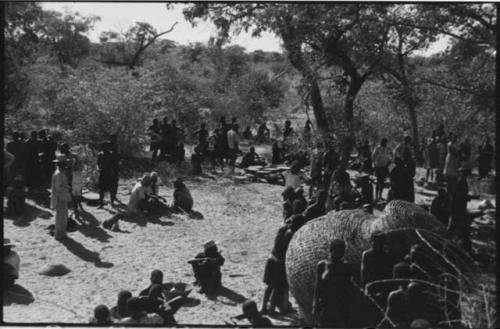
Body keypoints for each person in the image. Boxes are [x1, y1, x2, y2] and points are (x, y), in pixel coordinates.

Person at [261, 215, 305, 314]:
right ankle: (273, 308)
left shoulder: (283, 228)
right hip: (280, 262)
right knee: (279, 287)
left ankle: (263, 307)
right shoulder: (291, 234)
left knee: (270, 286)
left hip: (272, 258)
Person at [312, 239, 352, 327]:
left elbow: (349, 288)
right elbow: (317, 286)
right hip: (325, 304)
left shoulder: (346, 266)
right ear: (331, 250)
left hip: (340, 305)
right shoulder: (322, 265)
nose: (339, 255)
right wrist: (315, 304)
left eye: (341, 252)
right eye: (336, 251)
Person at [361, 233, 394, 309]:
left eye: (381, 242)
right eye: (377, 241)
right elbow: (364, 275)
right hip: (371, 288)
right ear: (372, 241)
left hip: (383, 289)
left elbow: (388, 275)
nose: (379, 244)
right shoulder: (367, 255)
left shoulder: (386, 256)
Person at [379, 262, 412, 328]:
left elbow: (387, 318)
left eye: (395, 274)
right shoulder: (417, 290)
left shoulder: (394, 295)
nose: (393, 277)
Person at [50, 158, 72, 240]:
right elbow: (58, 188)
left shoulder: (60, 172)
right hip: (60, 197)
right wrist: (68, 189)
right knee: (60, 217)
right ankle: (59, 235)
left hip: (62, 196)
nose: (65, 164)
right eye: (64, 163)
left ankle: (61, 233)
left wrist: (68, 187)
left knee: (63, 216)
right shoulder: (59, 173)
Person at [60, 143, 84, 219]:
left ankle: (76, 212)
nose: (61, 150)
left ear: (67, 148)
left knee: (74, 196)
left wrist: (71, 168)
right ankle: (74, 210)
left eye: (63, 148)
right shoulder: (62, 156)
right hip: (66, 178)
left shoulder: (73, 156)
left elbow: (79, 166)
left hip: (73, 178)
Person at [450, 168, 470, 252]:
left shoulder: (461, 181)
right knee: (457, 220)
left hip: (458, 204)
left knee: (456, 220)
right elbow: (458, 194)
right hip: (458, 204)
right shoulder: (461, 182)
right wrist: (466, 197)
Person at [97, 142, 118, 208]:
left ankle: (112, 203)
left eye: (107, 146)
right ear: (102, 147)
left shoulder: (111, 154)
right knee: (101, 189)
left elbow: (115, 164)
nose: (106, 148)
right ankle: (100, 204)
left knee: (111, 189)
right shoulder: (100, 154)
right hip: (102, 173)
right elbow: (97, 164)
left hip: (110, 173)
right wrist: (98, 169)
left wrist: (112, 170)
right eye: (104, 146)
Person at [444, 133, 459, 199]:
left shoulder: (454, 145)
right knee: (450, 180)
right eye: (454, 137)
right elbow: (453, 151)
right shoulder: (450, 144)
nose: (455, 139)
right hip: (450, 162)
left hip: (453, 162)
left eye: (456, 137)